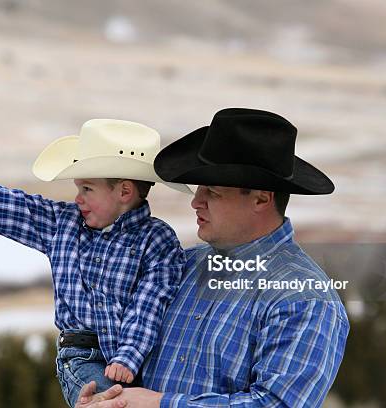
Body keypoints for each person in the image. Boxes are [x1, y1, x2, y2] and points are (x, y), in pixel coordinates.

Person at [74, 108, 350, 408]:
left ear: (261, 198)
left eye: (213, 192)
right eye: (198, 188)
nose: (195, 200)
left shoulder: (305, 300)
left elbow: (275, 404)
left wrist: (161, 404)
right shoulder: (177, 265)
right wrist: (103, 399)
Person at [0, 119, 189, 407]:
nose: (77, 198)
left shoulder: (158, 240)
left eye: (87, 189)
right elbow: (8, 207)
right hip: (81, 357)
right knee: (114, 404)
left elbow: (150, 302)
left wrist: (129, 354)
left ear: (125, 192)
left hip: (137, 358)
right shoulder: (63, 223)